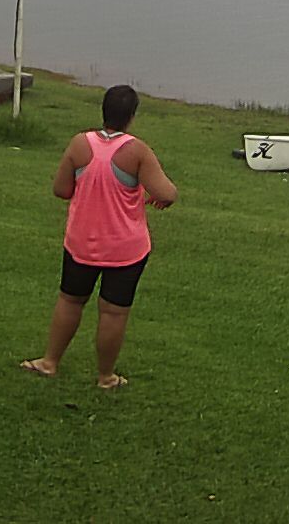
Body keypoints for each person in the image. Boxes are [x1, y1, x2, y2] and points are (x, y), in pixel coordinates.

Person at [22, 85, 178, 390]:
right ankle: (106, 376)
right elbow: (167, 193)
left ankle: (50, 362)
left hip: (81, 242)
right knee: (113, 312)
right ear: (132, 116)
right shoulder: (137, 151)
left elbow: (61, 189)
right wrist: (146, 193)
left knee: (70, 300)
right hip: (125, 249)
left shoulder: (80, 143)